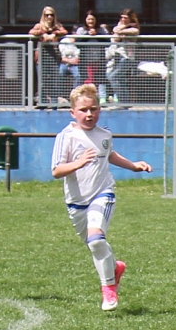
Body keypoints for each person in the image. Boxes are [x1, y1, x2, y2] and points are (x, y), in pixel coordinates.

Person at [51, 83, 153, 311]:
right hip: (76, 202)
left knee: (96, 240)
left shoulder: (104, 134)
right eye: (83, 110)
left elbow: (109, 154)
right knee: (94, 245)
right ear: (73, 112)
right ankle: (114, 268)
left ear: (100, 109)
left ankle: (108, 289)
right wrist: (78, 163)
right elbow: (56, 171)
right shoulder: (66, 137)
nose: (89, 114)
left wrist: (133, 165)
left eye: (94, 109)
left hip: (102, 193)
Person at [28, 6, 69, 103]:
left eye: (51, 15)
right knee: (42, 81)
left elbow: (64, 31)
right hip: (41, 56)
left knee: (54, 81)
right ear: (44, 16)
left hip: (54, 56)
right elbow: (31, 32)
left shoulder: (57, 25)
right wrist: (43, 33)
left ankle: (54, 104)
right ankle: (42, 103)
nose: (49, 17)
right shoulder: (39, 25)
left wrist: (54, 34)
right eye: (47, 15)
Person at [106, 9, 140, 103]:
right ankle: (125, 102)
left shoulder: (134, 29)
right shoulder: (121, 26)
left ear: (131, 18)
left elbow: (119, 31)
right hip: (117, 56)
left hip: (127, 58)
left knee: (113, 77)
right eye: (122, 17)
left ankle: (122, 101)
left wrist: (124, 27)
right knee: (120, 79)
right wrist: (123, 26)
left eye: (126, 18)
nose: (123, 19)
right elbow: (115, 35)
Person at [75, 11, 110, 101]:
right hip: (86, 60)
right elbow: (78, 44)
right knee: (87, 80)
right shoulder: (81, 30)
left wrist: (97, 35)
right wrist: (88, 35)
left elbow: (108, 42)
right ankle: (88, 98)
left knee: (101, 79)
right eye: (89, 19)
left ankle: (102, 98)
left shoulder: (102, 30)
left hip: (99, 59)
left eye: (92, 19)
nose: (91, 21)